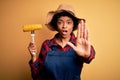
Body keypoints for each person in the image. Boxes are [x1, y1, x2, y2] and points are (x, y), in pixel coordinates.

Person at [28, 4, 95, 80]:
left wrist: (86, 55)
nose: (64, 26)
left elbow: (90, 57)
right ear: (56, 25)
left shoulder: (79, 45)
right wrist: (33, 57)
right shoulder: (47, 45)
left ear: (73, 25)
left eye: (68, 22)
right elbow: (37, 77)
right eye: (60, 22)